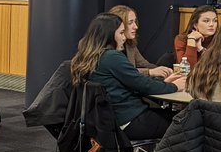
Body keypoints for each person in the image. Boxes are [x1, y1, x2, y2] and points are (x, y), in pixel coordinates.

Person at [73, 13, 185, 141]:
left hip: (107, 122)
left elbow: (134, 80)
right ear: (109, 35)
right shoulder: (112, 57)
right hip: (129, 121)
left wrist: (164, 82)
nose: (124, 38)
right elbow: (143, 85)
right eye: (121, 33)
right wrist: (175, 86)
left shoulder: (87, 57)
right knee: (187, 123)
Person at [107, 5, 173, 78]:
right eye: (130, 23)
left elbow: (144, 64)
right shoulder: (108, 51)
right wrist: (149, 72)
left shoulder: (130, 44)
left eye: (135, 21)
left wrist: (164, 70)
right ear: (118, 25)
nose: (136, 27)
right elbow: (123, 72)